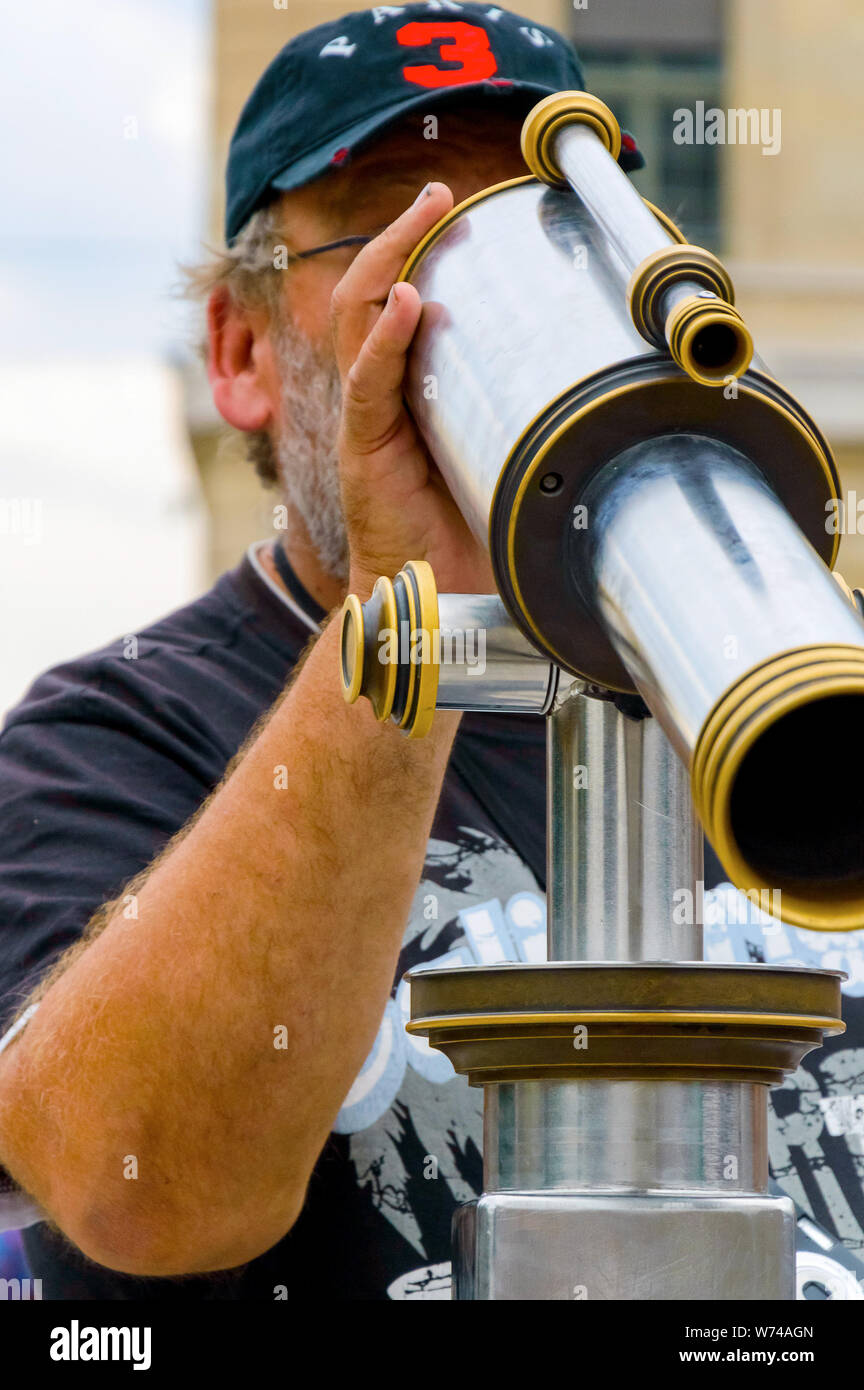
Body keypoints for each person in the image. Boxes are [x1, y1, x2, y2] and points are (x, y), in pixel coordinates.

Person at [0, 3, 862, 1303]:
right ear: (242, 353)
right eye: (408, 243)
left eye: (550, 234)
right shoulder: (117, 732)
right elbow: (138, 1188)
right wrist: (405, 609)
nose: (497, 308)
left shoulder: (769, 656)